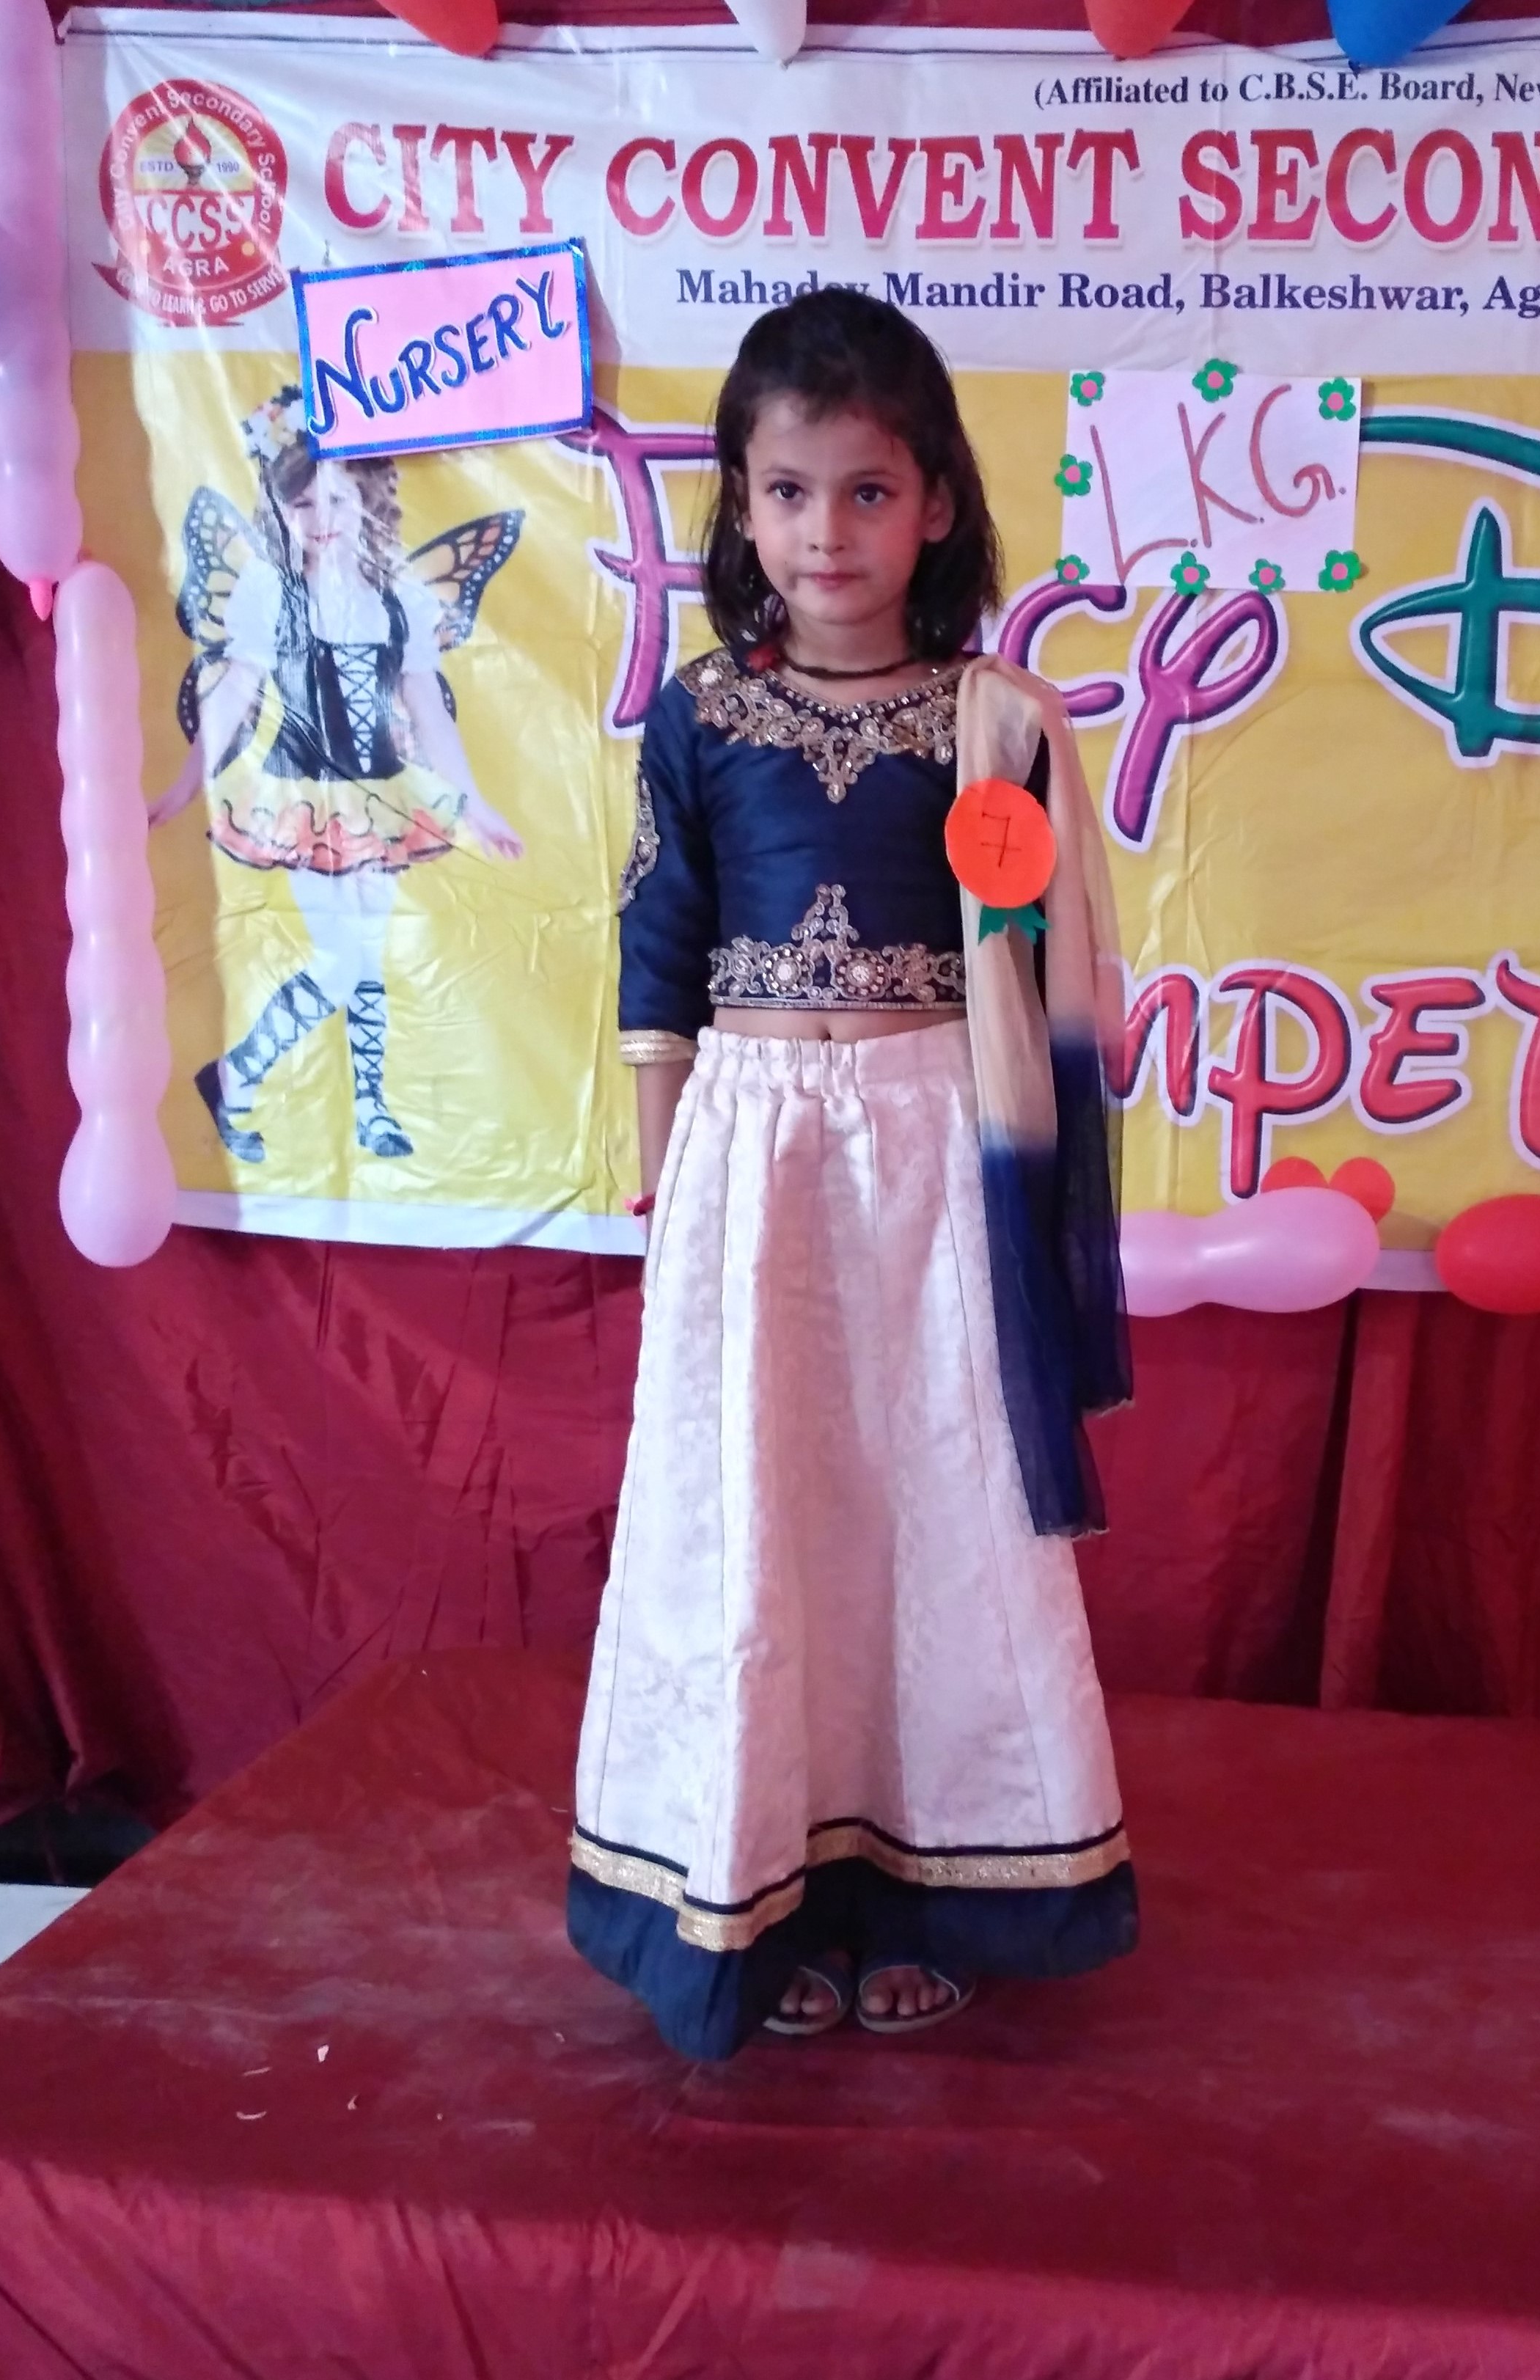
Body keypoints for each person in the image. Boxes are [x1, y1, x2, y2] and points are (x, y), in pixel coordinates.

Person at [568, 290, 1135, 2056]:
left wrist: (1029, 1199)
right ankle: (763, 1892)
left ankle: (928, 1886)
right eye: (789, 491)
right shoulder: (703, 715)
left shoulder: (991, 723)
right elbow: (657, 951)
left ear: (937, 504)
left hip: (933, 1151)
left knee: (931, 1504)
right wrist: (672, 1200)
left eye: (868, 491)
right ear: (740, 507)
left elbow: (1040, 974)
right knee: (763, 1510)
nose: (827, 532)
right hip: (750, 1158)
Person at [150, 387, 524, 1165]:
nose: (320, 516)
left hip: (381, 797)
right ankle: (235, 1076)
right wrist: (187, 782)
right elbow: (236, 692)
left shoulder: (399, 600)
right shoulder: (269, 592)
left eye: (337, 499)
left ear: (366, 502)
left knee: (367, 953)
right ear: (281, 510)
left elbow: (428, 710)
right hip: (300, 797)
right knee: (343, 957)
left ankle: (370, 1108)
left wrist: (474, 804)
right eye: (302, 502)